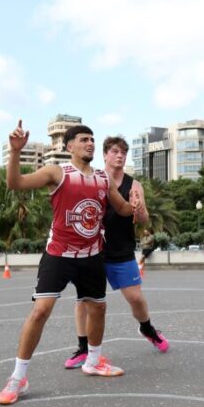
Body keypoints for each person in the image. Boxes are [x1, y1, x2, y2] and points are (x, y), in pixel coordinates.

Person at [0, 121, 136, 405]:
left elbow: (121, 209)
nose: (90, 144)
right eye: (84, 139)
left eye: (92, 140)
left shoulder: (103, 179)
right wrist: (14, 152)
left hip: (92, 256)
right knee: (40, 312)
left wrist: (136, 205)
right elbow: (15, 183)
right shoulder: (56, 173)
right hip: (59, 254)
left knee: (98, 307)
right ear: (69, 146)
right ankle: (17, 377)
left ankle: (93, 361)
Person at [64, 136, 169, 370]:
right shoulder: (93, 178)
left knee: (135, 298)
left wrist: (139, 208)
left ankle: (147, 328)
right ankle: (83, 348)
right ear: (105, 155)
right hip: (93, 251)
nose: (120, 156)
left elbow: (143, 220)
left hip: (122, 250)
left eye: (123, 152)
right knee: (84, 301)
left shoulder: (134, 185)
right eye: (114, 151)